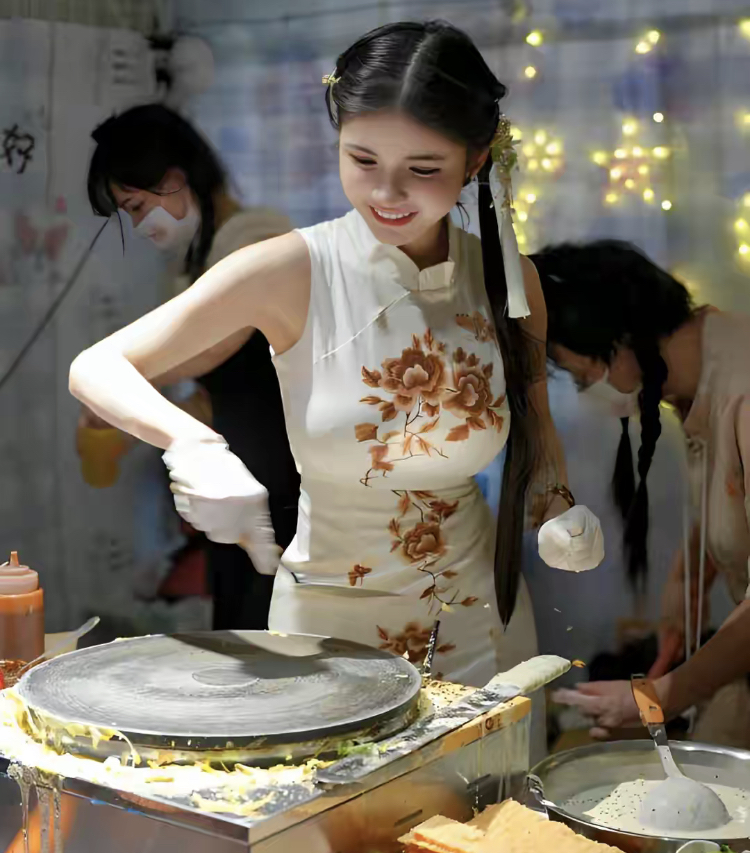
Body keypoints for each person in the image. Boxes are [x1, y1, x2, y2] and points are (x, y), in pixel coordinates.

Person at [69, 22, 605, 701]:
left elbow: (534, 419)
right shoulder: (293, 268)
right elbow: (96, 364)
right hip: (327, 638)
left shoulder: (506, 280)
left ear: (474, 161)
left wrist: (555, 504)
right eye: (362, 159)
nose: (387, 193)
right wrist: (192, 442)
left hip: (480, 627)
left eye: (423, 170)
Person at [83, 104, 300, 630]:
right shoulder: (202, 258)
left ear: (175, 179)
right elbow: (217, 389)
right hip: (239, 480)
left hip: (283, 483)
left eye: (136, 206)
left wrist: (114, 388)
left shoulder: (255, 238)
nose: (138, 226)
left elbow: (215, 352)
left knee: (273, 634)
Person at [533, 239, 750, 749]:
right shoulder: (701, 377)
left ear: (623, 337)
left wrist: (659, 698)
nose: (589, 394)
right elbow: (733, 491)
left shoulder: (743, 388)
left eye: (586, 376)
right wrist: (687, 576)